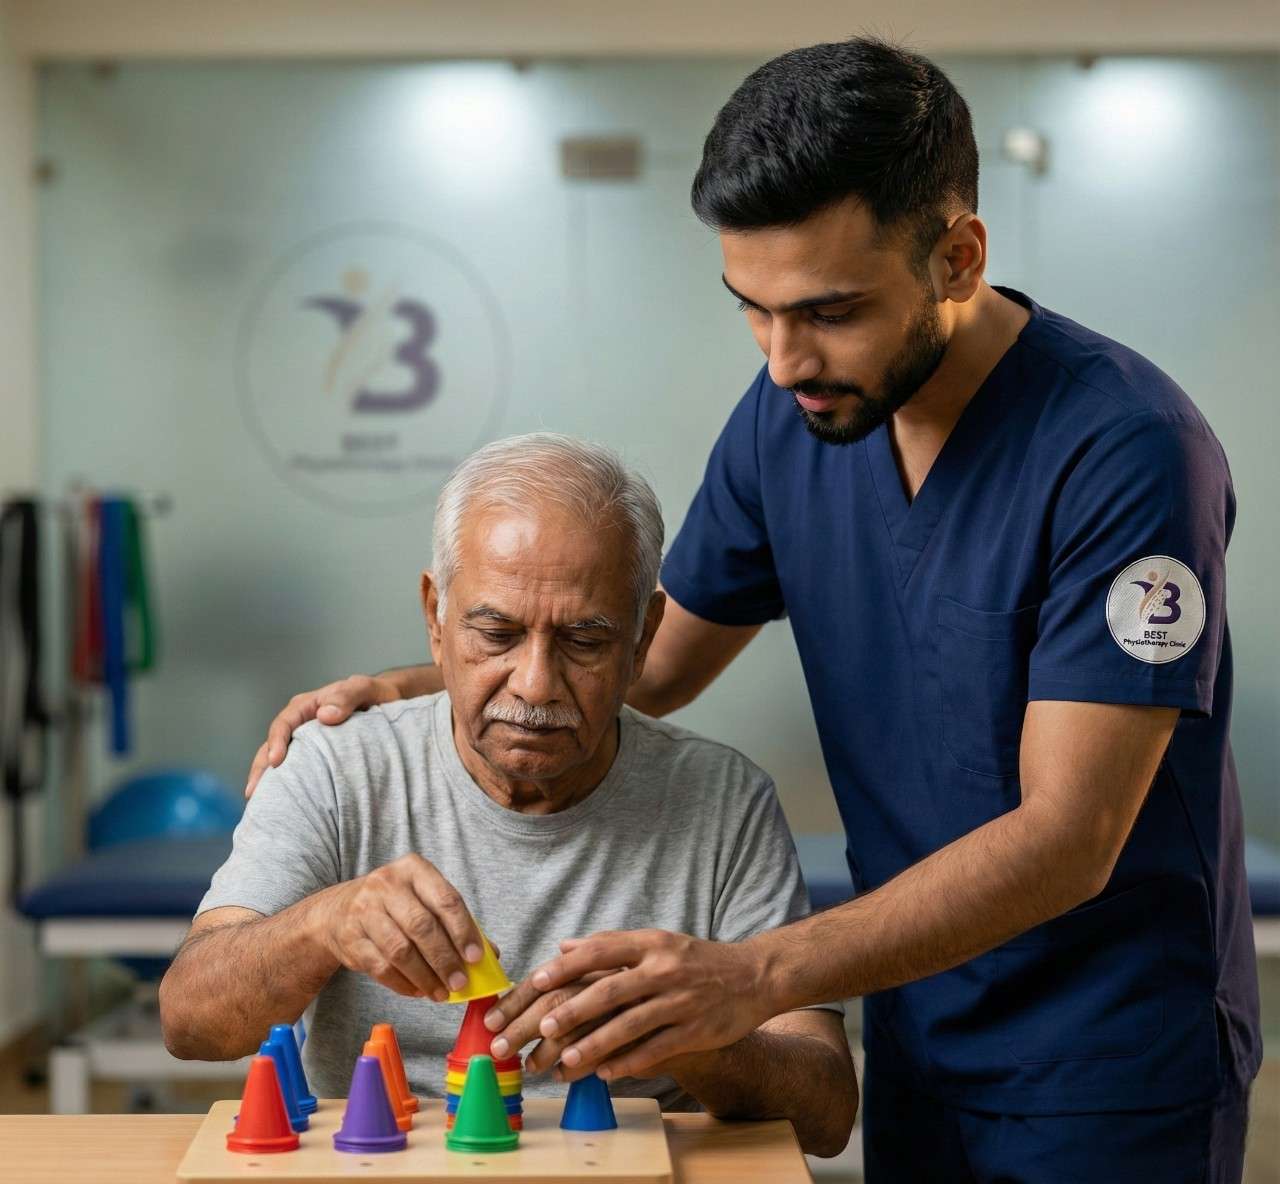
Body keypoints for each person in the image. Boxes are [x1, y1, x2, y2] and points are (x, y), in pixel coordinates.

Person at [243, 39, 1260, 1183]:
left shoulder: (1122, 452)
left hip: (1107, 1058)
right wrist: (410, 681)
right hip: (921, 1029)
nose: (782, 360)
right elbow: (656, 661)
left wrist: (757, 974)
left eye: (827, 309)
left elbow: (1067, 837)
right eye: (753, 309)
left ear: (957, 256)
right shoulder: (797, 417)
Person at [160, 434, 856, 1158]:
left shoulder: (723, 801)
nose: (534, 684)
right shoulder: (337, 768)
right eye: (496, 632)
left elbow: (827, 1113)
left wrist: (692, 1041)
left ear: (644, 637)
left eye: (585, 640)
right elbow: (189, 1020)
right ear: (435, 617)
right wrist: (322, 926)